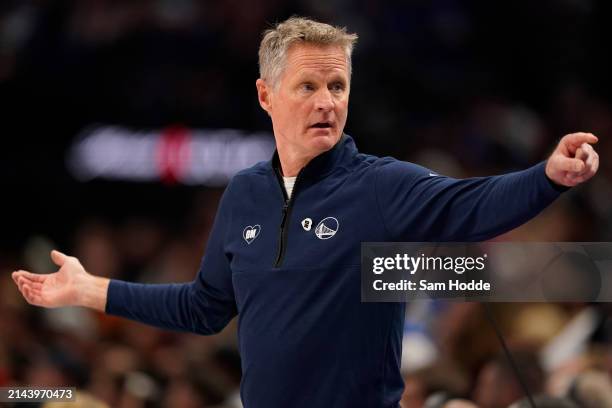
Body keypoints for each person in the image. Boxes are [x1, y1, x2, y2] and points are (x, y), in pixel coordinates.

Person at [12, 17, 599, 408]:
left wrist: (547, 176)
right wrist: (91, 291)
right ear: (266, 95)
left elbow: (473, 209)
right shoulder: (243, 193)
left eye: (338, 86)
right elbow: (205, 307)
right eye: (309, 86)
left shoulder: (381, 186)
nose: (327, 102)